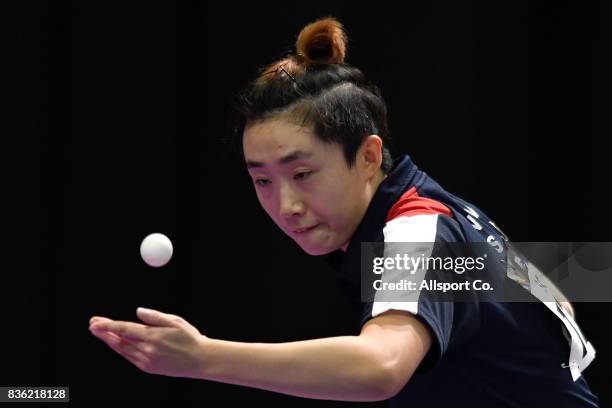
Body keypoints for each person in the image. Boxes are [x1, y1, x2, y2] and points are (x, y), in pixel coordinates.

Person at [89, 17, 599, 406]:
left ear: (369, 156)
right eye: (262, 180)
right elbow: (566, 288)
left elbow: (380, 366)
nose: (285, 205)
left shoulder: (416, 227)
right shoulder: (437, 206)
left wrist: (202, 359)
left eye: (303, 174)